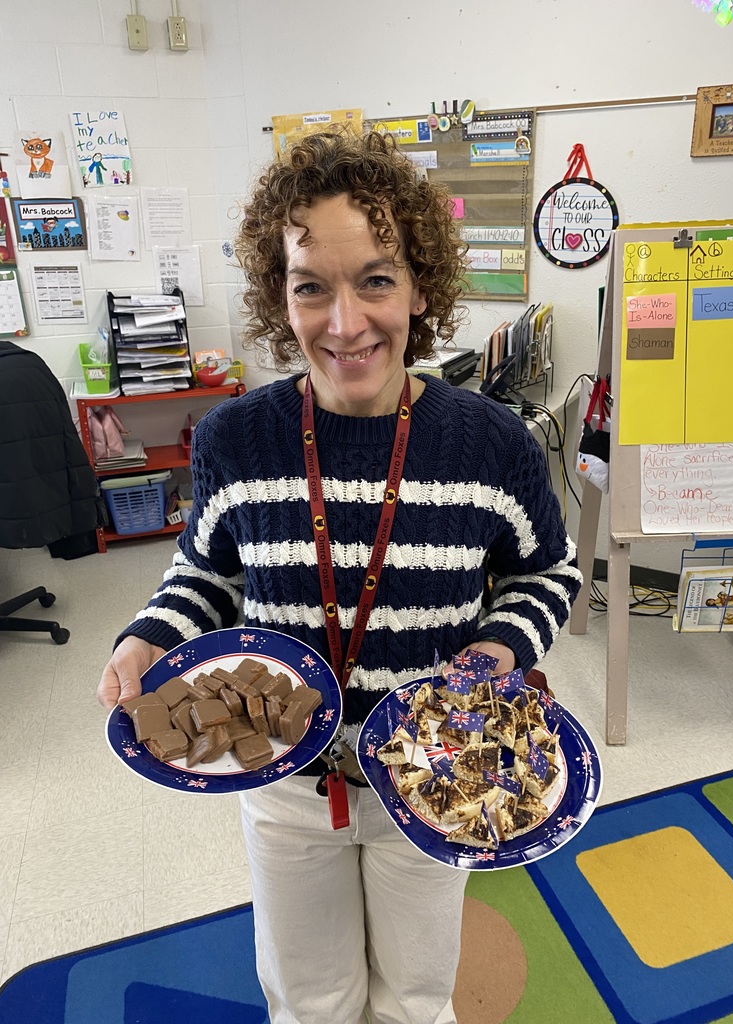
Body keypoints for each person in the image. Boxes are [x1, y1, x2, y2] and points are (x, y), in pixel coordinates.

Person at [97, 129, 582, 1024]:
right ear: (279, 295)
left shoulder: (492, 444)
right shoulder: (234, 438)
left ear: (420, 289)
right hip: (284, 779)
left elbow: (548, 572)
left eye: (377, 280)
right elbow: (206, 574)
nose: (345, 321)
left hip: (437, 767)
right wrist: (151, 633)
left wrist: (502, 642)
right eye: (311, 285)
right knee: (308, 999)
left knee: (416, 997)